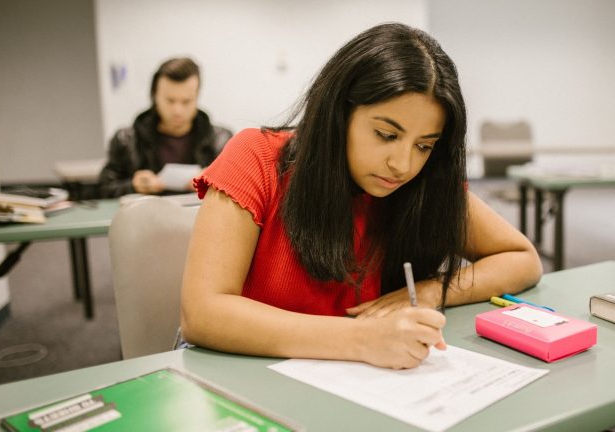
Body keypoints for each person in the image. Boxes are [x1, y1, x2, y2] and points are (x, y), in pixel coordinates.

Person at [180, 23, 542, 369]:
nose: (403, 165)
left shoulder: (425, 183)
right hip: (244, 376)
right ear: (339, 112)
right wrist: (360, 338)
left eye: (424, 145)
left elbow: (522, 259)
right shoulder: (257, 157)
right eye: (386, 134)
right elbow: (203, 314)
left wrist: (433, 291)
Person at [98, 57, 232, 198]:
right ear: (155, 96)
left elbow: (240, 191)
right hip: (146, 217)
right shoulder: (126, 140)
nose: (177, 110)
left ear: (197, 96)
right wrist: (133, 186)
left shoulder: (221, 140)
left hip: (201, 217)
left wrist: (213, 182)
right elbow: (102, 190)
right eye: (170, 100)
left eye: (186, 101)